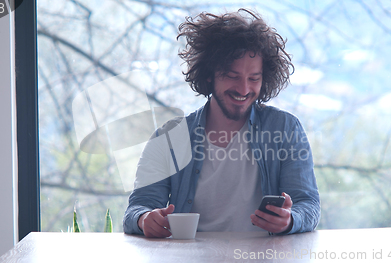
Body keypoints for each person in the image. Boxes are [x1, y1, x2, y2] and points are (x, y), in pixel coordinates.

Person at [123, 9, 320, 237]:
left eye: (254, 78)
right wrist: (144, 219)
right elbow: (136, 209)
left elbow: (308, 205)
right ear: (209, 74)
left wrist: (290, 220)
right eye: (232, 76)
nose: (244, 89)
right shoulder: (168, 138)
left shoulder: (285, 129)